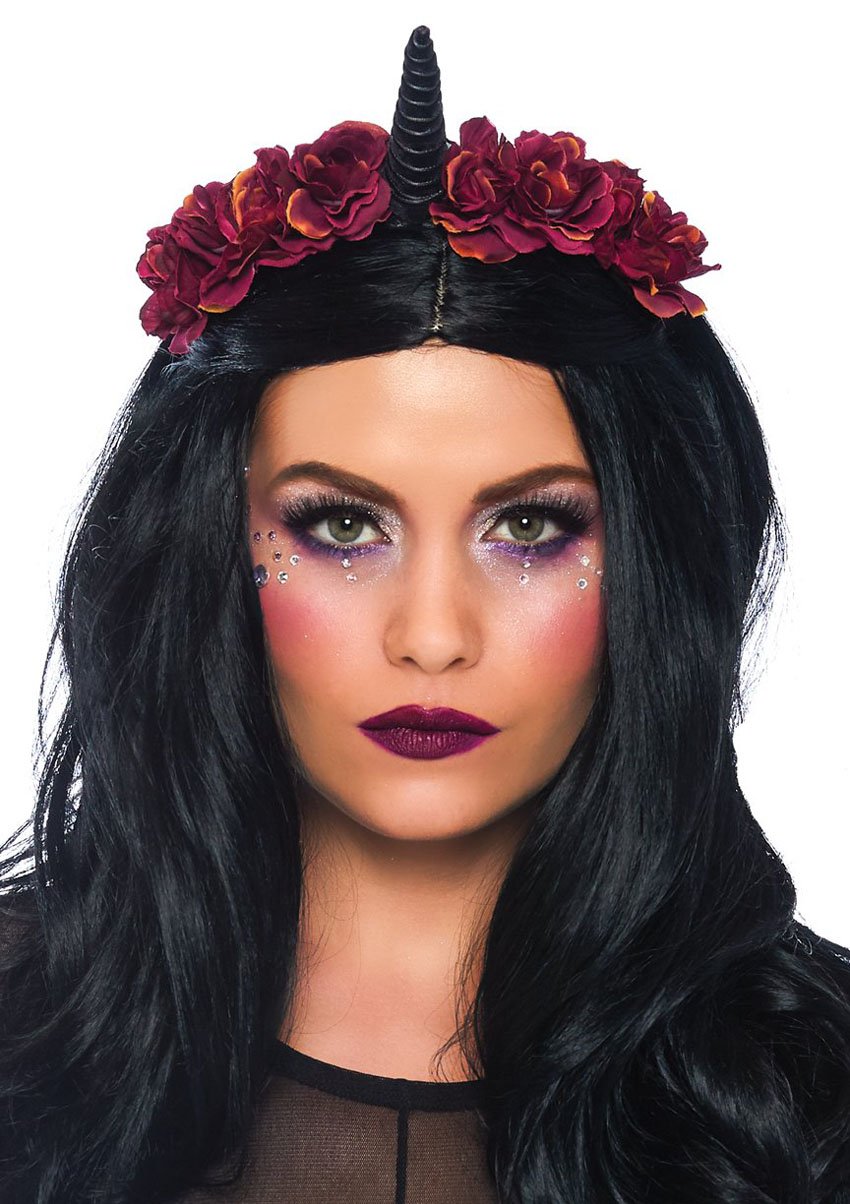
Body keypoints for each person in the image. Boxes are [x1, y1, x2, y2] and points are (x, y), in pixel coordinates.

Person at [1, 22, 848, 1204]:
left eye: (531, 528)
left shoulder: (808, 1084)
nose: (434, 635)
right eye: (343, 526)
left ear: (652, 566)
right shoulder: (23, 1031)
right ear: (211, 549)